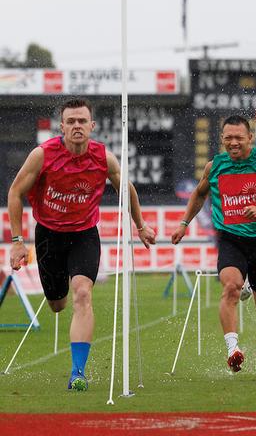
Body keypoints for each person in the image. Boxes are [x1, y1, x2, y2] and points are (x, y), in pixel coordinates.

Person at [8, 97, 156, 391]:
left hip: (84, 235)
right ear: (61, 126)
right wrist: (17, 241)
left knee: (83, 295)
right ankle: (59, 283)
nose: (77, 126)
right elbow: (15, 192)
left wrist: (140, 226)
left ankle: (78, 372)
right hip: (49, 235)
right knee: (57, 304)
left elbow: (127, 190)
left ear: (92, 125)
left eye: (82, 121)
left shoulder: (104, 158)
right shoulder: (43, 155)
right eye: (71, 121)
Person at [171, 115, 256, 373]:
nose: (233, 142)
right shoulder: (214, 166)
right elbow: (199, 194)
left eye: (239, 137)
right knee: (230, 287)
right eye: (228, 138)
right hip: (230, 239)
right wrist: (184, 223)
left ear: (250, 138)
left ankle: (249, 282)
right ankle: (233, 348)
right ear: (222, 139)